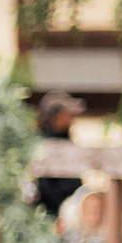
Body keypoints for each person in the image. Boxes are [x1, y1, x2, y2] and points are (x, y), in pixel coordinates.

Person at [30, 91, 83, 220]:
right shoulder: (42, 144)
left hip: (68, 211)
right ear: (55, 117)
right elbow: (44, 185)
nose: (71, 119)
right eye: (67, 114)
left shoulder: (67, 141)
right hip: (49, 215)